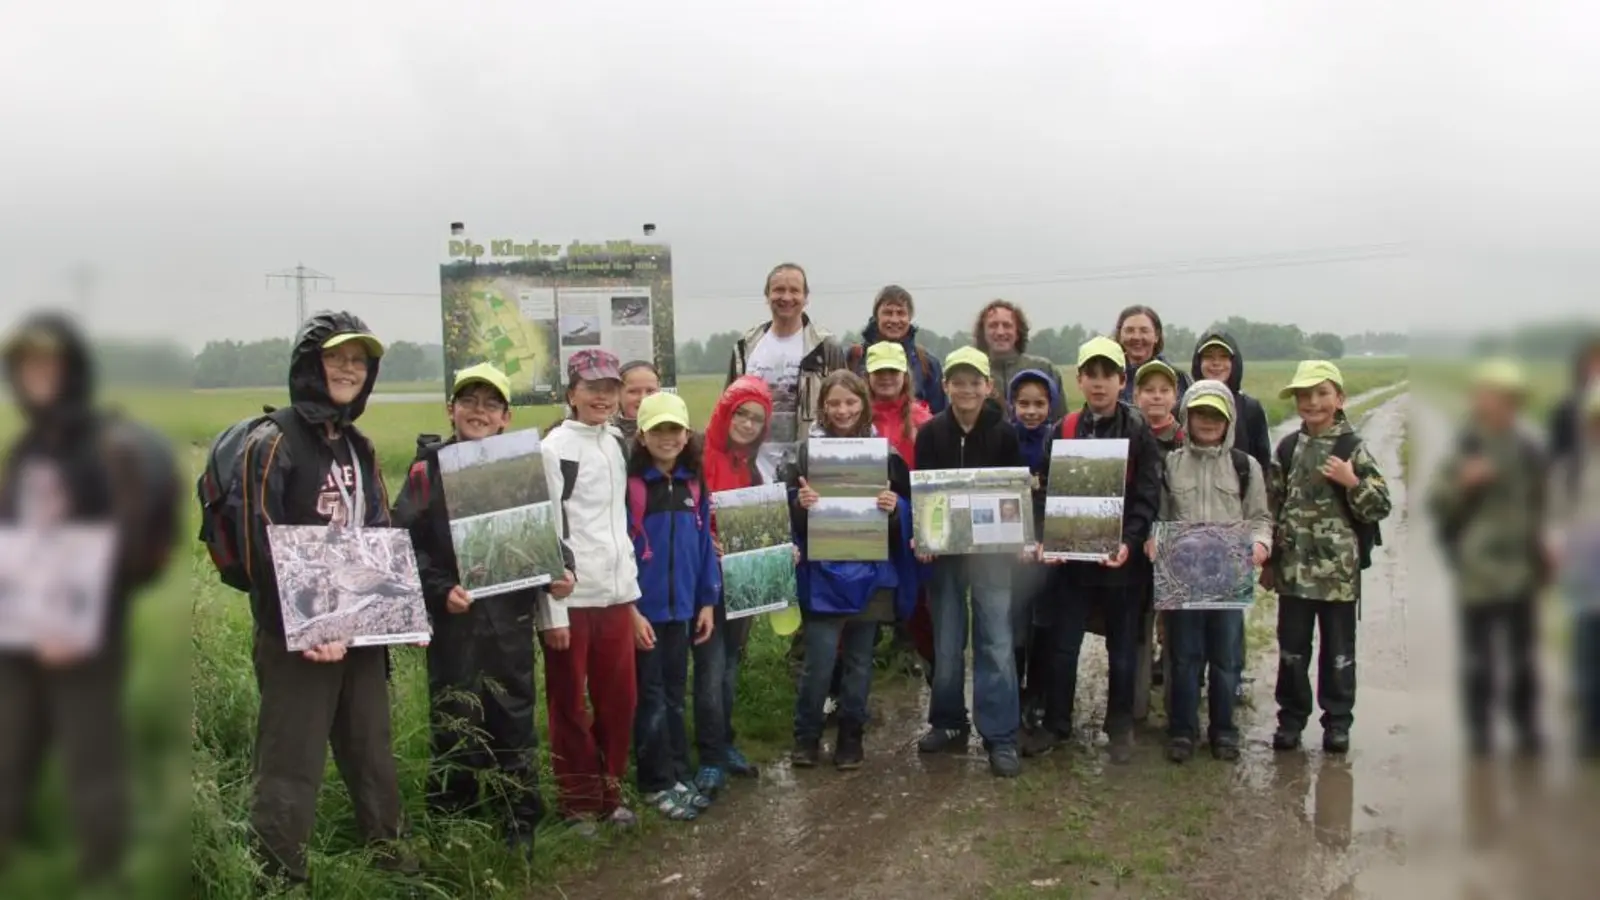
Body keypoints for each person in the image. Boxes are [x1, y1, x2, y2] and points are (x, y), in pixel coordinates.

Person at [227, 312, 413, 885]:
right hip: (295, 641)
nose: (349, 370)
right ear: (310, 365)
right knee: (291, 764)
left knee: (372, 752)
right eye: (337, 359)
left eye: (359, 361)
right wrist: (311, 627)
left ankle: (393, 864)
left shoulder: (359, 446)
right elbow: (258, 542)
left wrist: (388, 612)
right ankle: (279, 880)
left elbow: (378, 534)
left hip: (356, 634)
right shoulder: (273, 441)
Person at [0, 313, 178, 888]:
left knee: (91, 757)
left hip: (87, 636)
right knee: (10, 747)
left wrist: (71, 624)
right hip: (21, 629)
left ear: (73, 370)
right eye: (27, 366)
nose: (37, 376)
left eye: (49, 364)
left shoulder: (105, 448)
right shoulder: (27, 447)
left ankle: (103, 873)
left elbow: (121, 544)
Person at [391, 362, 576, 853]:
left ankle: (520, 821)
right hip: (456, 621)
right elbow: (404, 542)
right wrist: (438, 589)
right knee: (454, 721)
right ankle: (453, 824)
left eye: (490, 404)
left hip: (510, 619)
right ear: (451, 410)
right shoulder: (426, 471)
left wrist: (563, 572)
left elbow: (549, 533)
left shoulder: (522, 466)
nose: (478, 411)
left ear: (506, 417)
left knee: (513, 719)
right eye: (468, 402)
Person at [1027, 336, 1163, 765]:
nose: (1100, 384)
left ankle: (1119, 725)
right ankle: (1056, 723)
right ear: (1080, 380)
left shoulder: (1139, 431)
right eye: (1092, 375)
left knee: (1122, 648)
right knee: (1063, 646)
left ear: (1123, 381)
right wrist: (1048, 539)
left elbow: (1147, 495)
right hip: (1071, 563)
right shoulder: (1062, 429)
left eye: (1109, 375)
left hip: (1121, 562)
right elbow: (1046, 493)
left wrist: (1130, 542)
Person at [783, 371, 919, 769]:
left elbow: (906, 513)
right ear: (823, 406)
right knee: (820, 659)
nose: (843, 411)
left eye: (851, 402)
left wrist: (895, 509)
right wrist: (799, 503)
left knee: (860, 661)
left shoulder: (886, 454)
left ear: (863, 404)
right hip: (821, 572)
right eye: (835, 403)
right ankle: (806, 736)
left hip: (872, 572)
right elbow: (787, 512)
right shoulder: (805, 454)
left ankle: (851, 737)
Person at [539, 349, 643, 833]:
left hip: (616, 595)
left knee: (619, 700)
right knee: (569, 704)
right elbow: (548, 528)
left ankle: (612, 791)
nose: (602, 397)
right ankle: (578, 800)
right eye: (592, 388)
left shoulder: (618, 443)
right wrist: (553, 612)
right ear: (571, 394)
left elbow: (619, 522)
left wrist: (633, 598)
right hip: (573, 600)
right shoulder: (554, 448)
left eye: (610, 388)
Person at [1265, 360, 1392, 755]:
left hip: (1338, 575)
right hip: (1293, 573)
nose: (1313, 402)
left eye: (1322, 394)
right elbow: (1272, 507)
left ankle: (1337, 722)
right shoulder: (1287, 448)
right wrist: (1269, 563)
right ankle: (1290, 719)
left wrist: (1352, 482)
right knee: (1292, 651)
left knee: (1338, 653)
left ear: (1339, 399)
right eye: (1305, 395)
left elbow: (1380, 505)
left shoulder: (1352, 450)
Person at [1426, 359, 1549, 757]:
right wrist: (1464, 483)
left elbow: (1544, 503)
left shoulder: (1529, 448)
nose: (1496, 404)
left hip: (1521, 569)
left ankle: (1526, 729)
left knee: (1523, 658)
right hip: (1476, 570)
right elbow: (1438, 503)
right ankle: (1480, 735)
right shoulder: (1467, 446)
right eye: (1489, 396)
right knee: (1479, 659)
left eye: (1505, 398)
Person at [914, 347, 1027, 777]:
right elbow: (924, 492)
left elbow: (1012, 495)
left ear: (987, 387)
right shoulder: (930, 434)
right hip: (944, 555)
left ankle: (1000, 735)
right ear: (945, 386)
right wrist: (923, 535)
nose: (965, 389)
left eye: (973, 381)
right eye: (957, 381)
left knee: (996, 641)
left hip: (993, 556)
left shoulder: (1005, 434)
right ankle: (947, 722)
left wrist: (1016, 537)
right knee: (946, 641)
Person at [1146, 381, 1271, 763]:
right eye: (1200, 413)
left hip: (1228, 577)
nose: (1207, 421)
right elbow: (1160, 515)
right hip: (1182, 577)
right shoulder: (1169, 464)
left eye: (1216, 415)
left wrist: (1261, 543)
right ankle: (1182, 730)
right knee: (1183, 655)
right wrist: (1154, 539)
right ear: (1187, 416)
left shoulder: (1244, 467)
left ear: (1228, 420)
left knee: (1226, 656)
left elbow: (1261, 517)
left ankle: (1224, 731)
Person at [624, 392, 722, 820]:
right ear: (642, 436)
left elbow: (703, 548)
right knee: (650, 697)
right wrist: (631, 610)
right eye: (658, 430)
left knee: (675, 694)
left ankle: (680, 772)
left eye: (674, 429)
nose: (667, 438)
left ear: (686, 436)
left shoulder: (693, 484)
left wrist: (707, 602)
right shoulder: (631, 488)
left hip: (682, 610)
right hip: (644, 614)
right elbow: (621, 553)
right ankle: (655, 782)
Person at [693, 375, 775, 792]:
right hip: (704, 583)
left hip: (740, 581)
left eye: (756, 418)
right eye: (740, 413)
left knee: (729, 666)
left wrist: (778, 551)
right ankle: (708, 754)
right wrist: (706, 540)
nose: (746, 423)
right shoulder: (697, 456)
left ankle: (724, 742)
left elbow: (760, 525)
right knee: (709, 667)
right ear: (725, 412)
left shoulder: (753, 468)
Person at [726, 263, 848, 482]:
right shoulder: (746, 347)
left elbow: (846, 407)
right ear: (767, 295)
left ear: (806, 297)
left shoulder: (826, 347)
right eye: (779, 290)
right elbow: (727, 410)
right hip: (754, 468)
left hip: (811, 467)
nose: (786, 297)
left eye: (794, 290)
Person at [862, 341, 935, 677]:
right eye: (879, 372)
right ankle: (848, 685)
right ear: (868, 376)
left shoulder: (922, 419)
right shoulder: (857, 418)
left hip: (909, 523)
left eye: (893, 371)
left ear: (905, 375)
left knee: (920, 605)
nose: (886, 378)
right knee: (864, 601)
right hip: (866, 522)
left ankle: (933, 670)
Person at [1007, 367, 1062, 733]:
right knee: (1013, 625)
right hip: (1009, 553)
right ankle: (1012, 694)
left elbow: (1059, 498)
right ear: (1012, 405)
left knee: (1044, 623)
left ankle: (1039, 697)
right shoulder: (1003, 440)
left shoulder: (1056, 442)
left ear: (1050, 405)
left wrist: (1044, 541)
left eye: (1039, 404)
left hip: (1045, 550)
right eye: (1024, 403)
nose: (1031, 411)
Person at [1549, 384, 1600, 759]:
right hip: (1585, 580)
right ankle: (1589, 735)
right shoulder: (1574, 468)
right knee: (1586, 658)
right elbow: (1555, 517)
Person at [847, 285, 947, 414]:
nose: (894, 320)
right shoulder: (855, 358)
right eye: (888, 313)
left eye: (901, 313)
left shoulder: (927, 364)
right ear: (876, 316)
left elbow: (939, 415)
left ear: (910, 318)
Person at [1188, 331, 1271, 471]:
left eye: (1223, 357)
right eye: (1209, 357)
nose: (1216, 363)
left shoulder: (1251, 408)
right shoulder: (1185, 406)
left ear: (1234, 363)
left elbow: (1263, 462)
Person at [971, 299, 1065, 421]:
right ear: (982, 332)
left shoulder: (1044, 369)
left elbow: (1061, 421)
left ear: (1018, 332)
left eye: (1007, 325)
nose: (1000, 332)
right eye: (993, 325)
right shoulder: (973, 372)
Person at [1115, 305, 1191, 403]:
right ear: (1119, 335)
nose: (1136, 337)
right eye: (1130, 330)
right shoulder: (1110, 376)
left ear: (1156, 336)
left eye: (1144, 331)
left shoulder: (1178, 377)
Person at [613, 360, 662, 444]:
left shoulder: (676, 431)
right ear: (618, 394)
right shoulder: (609, 436)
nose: (643, 398)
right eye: (633, 391)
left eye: (650, 391)